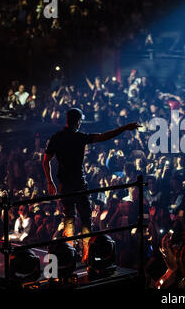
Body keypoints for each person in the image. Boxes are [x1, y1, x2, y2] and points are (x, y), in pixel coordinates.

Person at [43, 108, 141, 263]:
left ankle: (69, 253)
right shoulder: (79, 137)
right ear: (77, 121)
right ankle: (86, 253)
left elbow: (45, 161)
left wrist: (50, 181)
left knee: (68, 218)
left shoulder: (56, 137)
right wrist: (123, 128)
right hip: (78, 183)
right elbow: (103, 136)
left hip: (64, 184)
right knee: (85, 218)